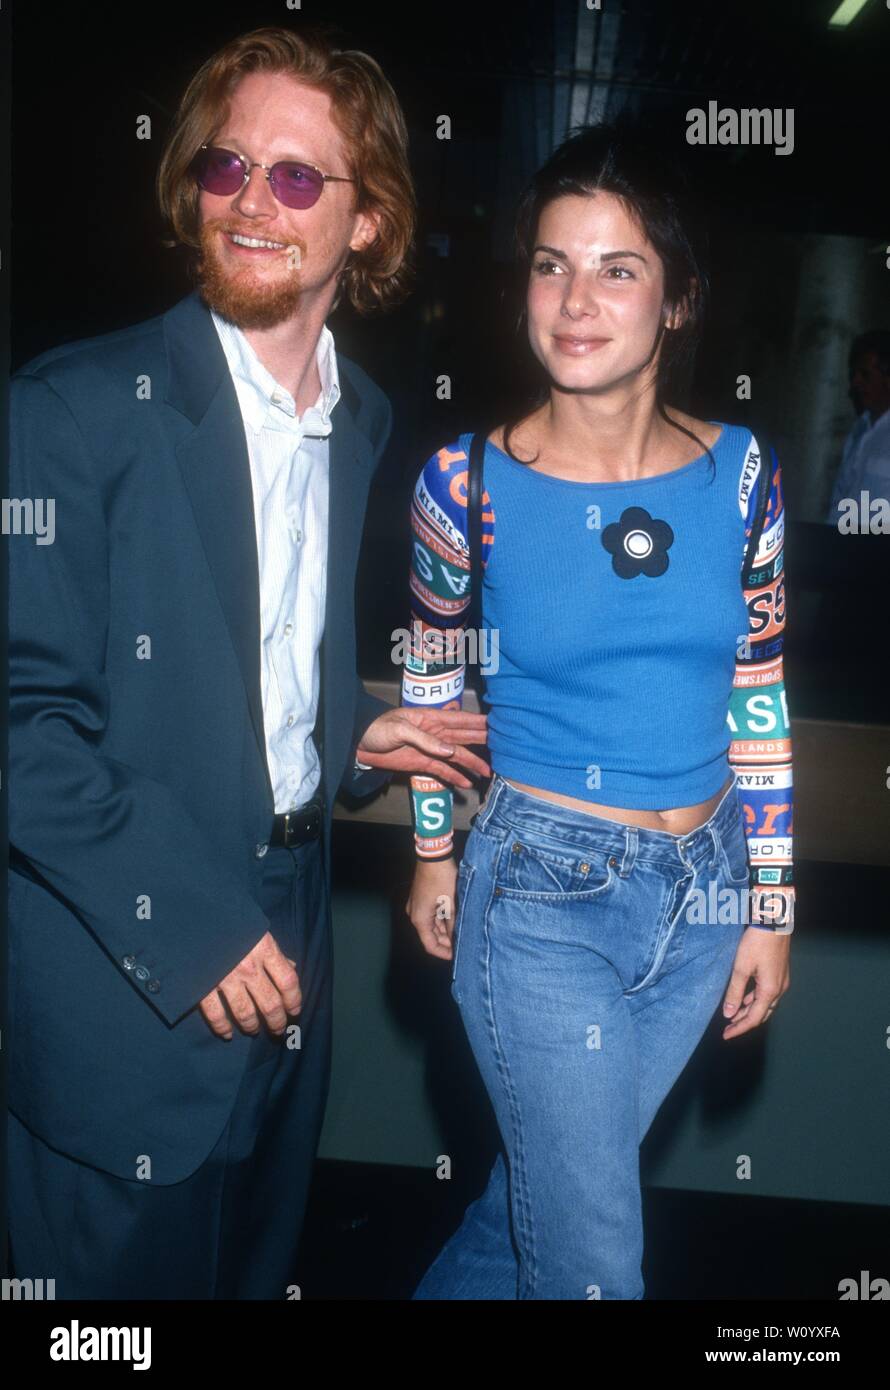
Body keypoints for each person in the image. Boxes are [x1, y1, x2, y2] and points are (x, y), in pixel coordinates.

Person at [7, 25, 488, 1300]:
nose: (250, 203)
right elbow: (22, 729)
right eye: (226, 169)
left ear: (369, 220)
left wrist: (351, 735)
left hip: (295, 950)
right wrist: (196, 923)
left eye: (294, 176)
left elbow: (265, 647)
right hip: (128, 969)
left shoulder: (361, 417)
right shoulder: (69, 413)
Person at [402, 123, 794, 1300]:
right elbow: (432, 681)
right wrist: (431, 854)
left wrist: (766, 905)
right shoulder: (461, 481)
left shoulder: (741, 472)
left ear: (675, 302)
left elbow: (761, 691)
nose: (575, 299)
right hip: (538, 903)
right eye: (550, 263)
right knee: (591, 1263)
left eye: (616, 267)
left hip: (704, 895)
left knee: (522, 1214)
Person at [825, 330, 890, 527]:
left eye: (865, 374)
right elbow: (840, 497)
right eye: (853, 374)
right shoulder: (859, 430)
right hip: (844, 547)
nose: (856, 383)